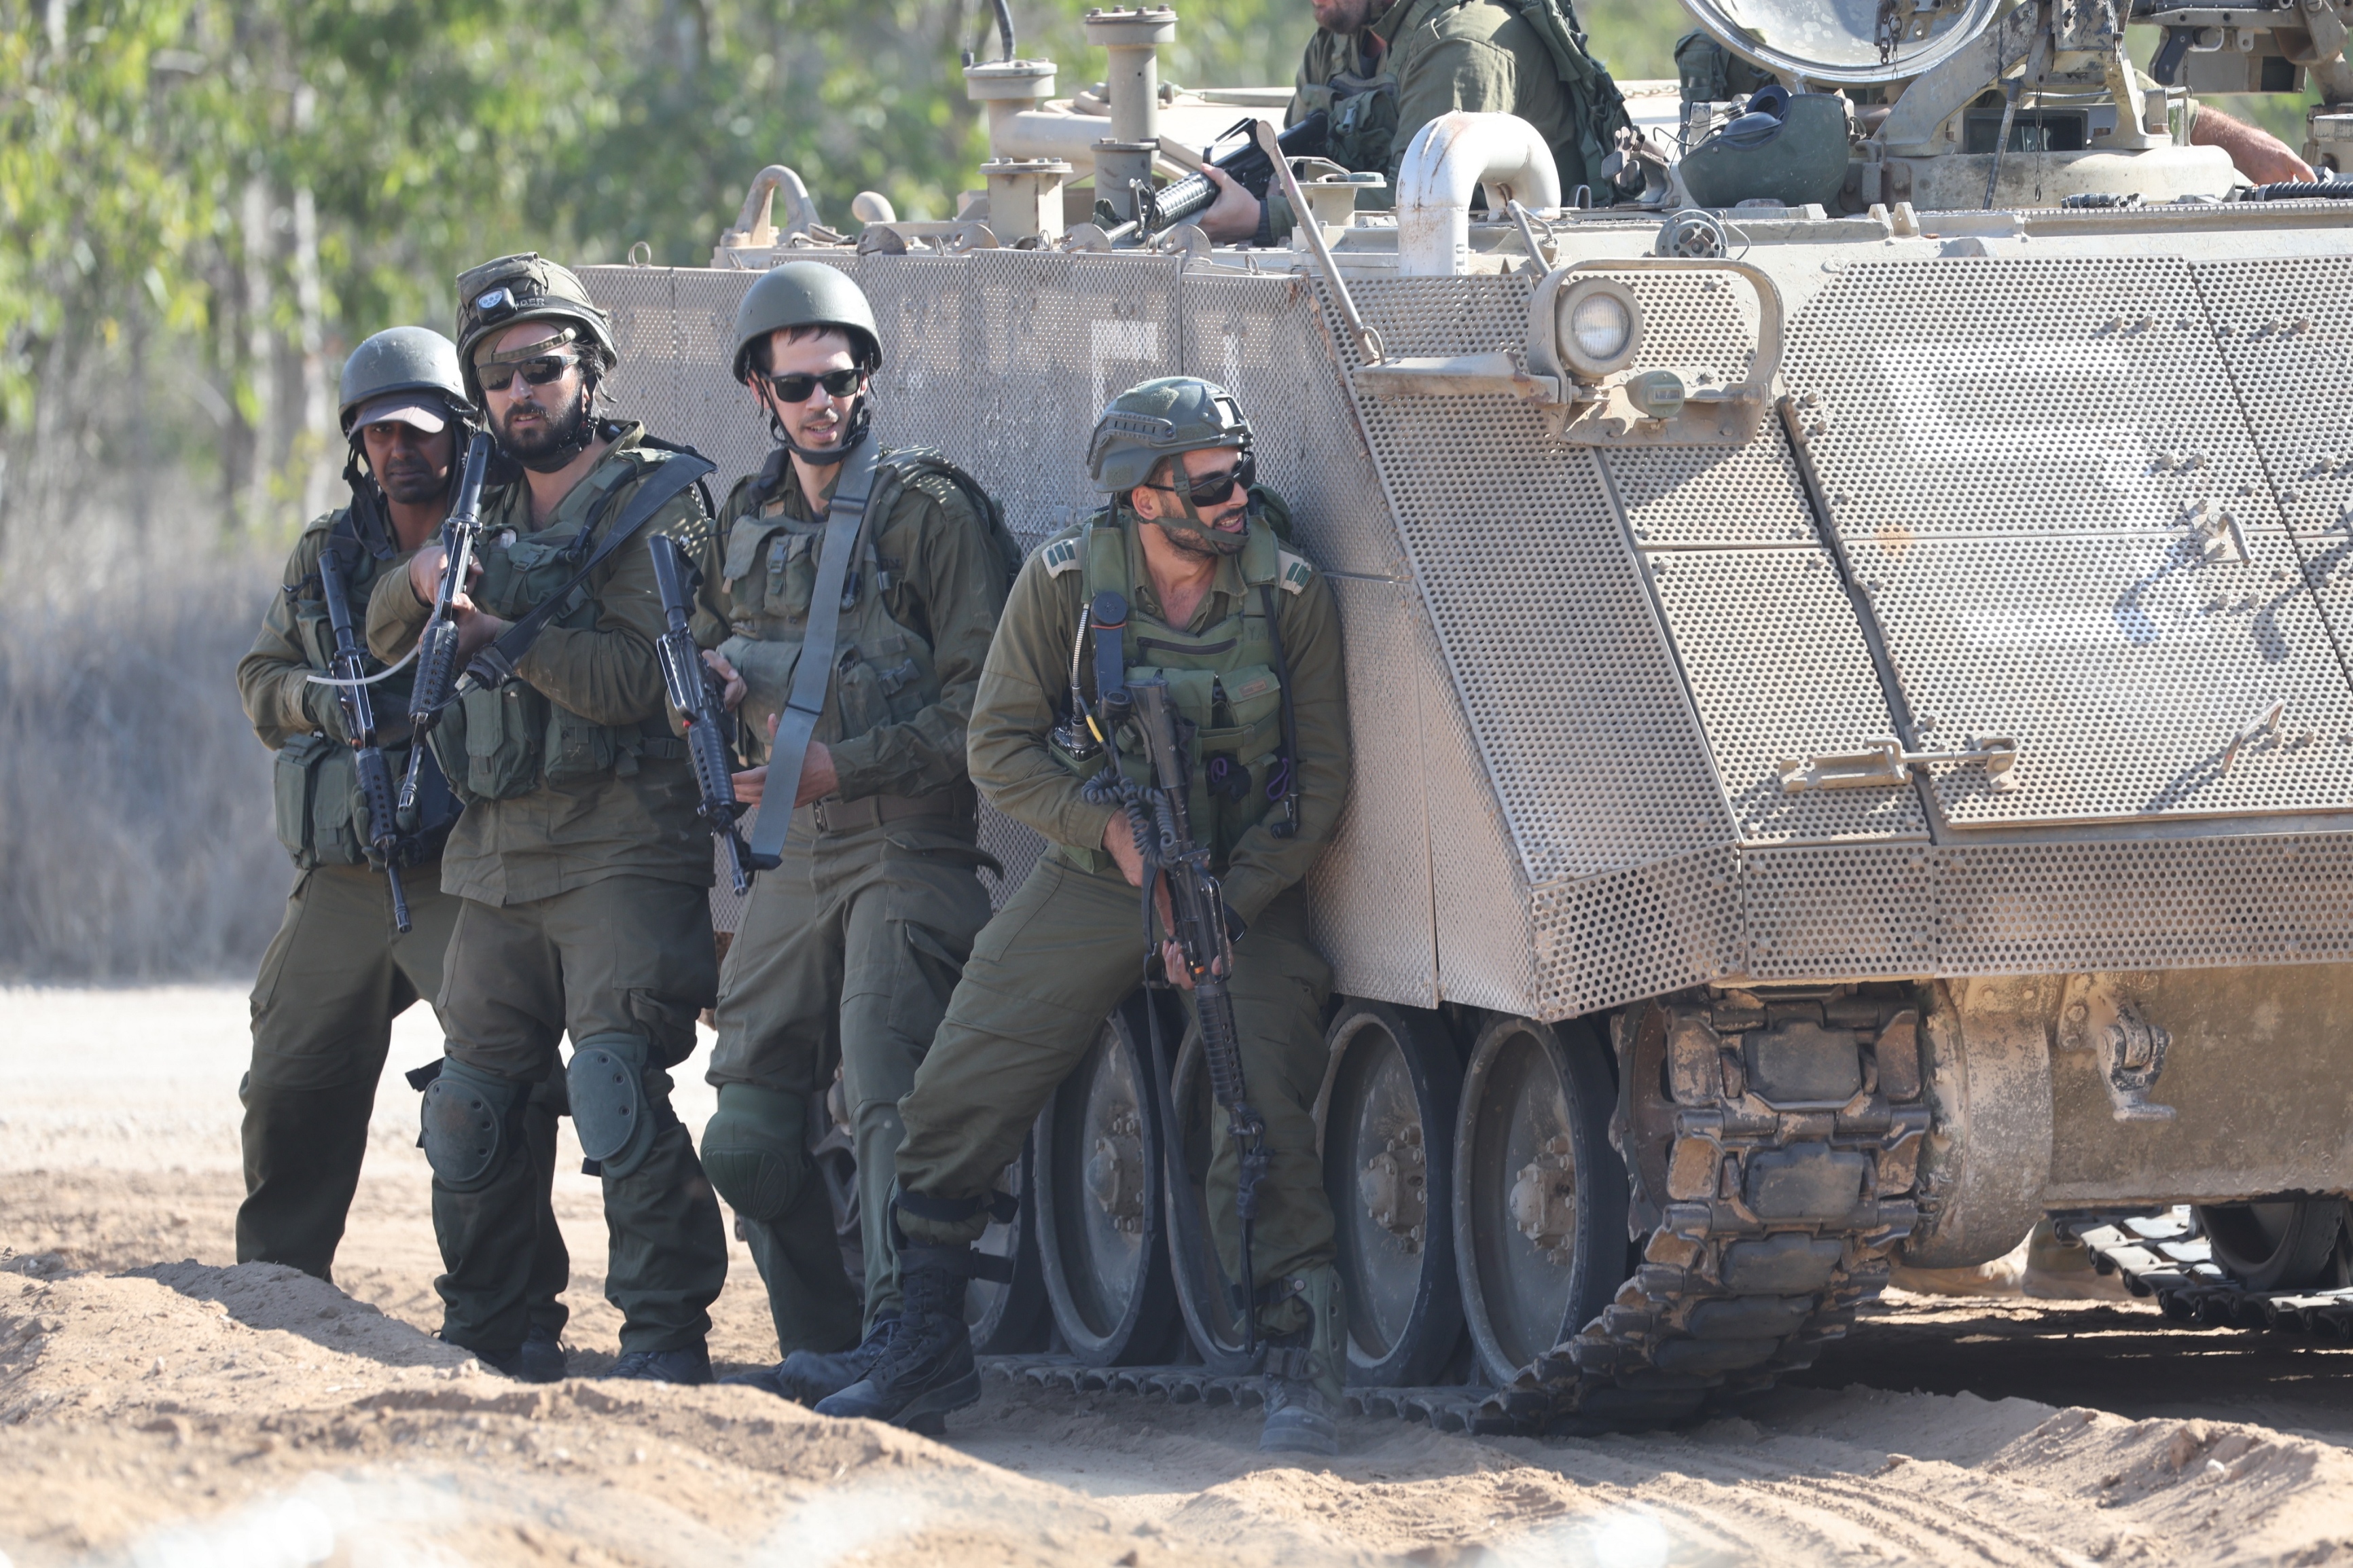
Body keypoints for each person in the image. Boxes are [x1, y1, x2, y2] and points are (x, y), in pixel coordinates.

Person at [814, 377, 1356, 1455]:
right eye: (1212, 481)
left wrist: (1228, 901)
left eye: (1241, 472)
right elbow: (997, 747)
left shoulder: (1287, 593)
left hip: (1240, 882)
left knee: (1259, 1101)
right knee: (957, 1081)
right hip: (1103, 870)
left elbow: (1322, 782)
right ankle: (922, 1337)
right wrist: (1111, 833)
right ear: (1146, 498)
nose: (1239, 495)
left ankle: (1297, 1356)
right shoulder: (1066, 583)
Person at [365, 255, 730, 1384]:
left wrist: (501, 637)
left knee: (615, 1090)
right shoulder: (476, 500)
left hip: (623, 846)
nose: (521, 393)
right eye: (498, 376)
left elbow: (639, 678)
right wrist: (420, 584)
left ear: (591, 368)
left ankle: (663, 1335)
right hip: (496, 858)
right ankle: (493, 1327)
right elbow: (381, 635)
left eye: (542, 367)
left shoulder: (655, 496)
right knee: (469, 1108)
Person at [693, 263, 1016, 1401]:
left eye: (840, 379)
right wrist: (715, 688)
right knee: (743, 1132)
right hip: (792, 848)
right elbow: (711, 644)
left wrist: (846, 761)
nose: (823, 402)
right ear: (759, 392)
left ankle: (903, 1342)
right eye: (798, 386)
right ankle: (822, 1344)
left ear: (867, 377)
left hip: (907, 839)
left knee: (885, 1087)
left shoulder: (928, 512)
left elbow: (988, 710)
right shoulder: (744, 518)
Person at [234, 327, 572, 1383]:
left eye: (418, 432)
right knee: (288, 1080)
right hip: (344, 875)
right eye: (379, 435)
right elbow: (260, 681)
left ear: (456, 434)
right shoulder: (327, 555)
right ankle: (275, 1294)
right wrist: (324, 703)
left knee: (493, 1088)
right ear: (359, 446)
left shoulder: (505, 539)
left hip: (464, 865)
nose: (399, 452)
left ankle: (510, 1315)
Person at [1197, 0, 1630, 242]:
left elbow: (1419, 204)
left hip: (1503, 285)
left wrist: (1262, 218)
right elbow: (1291, 171)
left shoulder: (1460, 44)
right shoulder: (1337, 38)